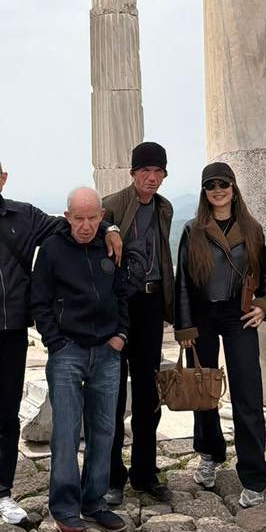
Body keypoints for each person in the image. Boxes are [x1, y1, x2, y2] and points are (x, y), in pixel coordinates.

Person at [0, 153, 121, 532]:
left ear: (4, 178)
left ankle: (1, 492)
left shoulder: (25, 215)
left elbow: (71, 222)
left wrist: (111, 227)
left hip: (13, 330)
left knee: (7, 417)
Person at [173, 163, 266, 508]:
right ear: (204, 192)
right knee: (203, 392)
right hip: (201, 317)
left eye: (223, 184)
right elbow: (183, 283)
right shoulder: (192, 230)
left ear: (233, 187)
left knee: (248, 392)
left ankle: (254, 473)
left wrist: (263, 304)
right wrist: (184, 325)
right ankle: (209, 454)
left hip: (238, 315)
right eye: (210, 185)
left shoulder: (251, 228)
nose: (217, 190)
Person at [30, 187, 130, 532]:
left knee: (104, 430)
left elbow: (123, 292)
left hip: (108, 351)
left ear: (102, 217)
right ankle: (65, 506)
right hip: (68, 351)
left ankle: (95, 502)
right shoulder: (52, 250)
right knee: (67, 432)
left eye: (92, 218)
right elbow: (38, 300)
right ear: (67, 216)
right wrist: (55, 342)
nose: (85, 225)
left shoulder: (109, 243)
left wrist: (121, 335)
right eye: (78, 218)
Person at [102, 141, 175, 505]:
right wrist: (109, 229)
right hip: (119, 306)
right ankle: (113, 476)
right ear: (133, 174)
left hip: (150, 304)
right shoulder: (113, 203)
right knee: (113, 394)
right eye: (145, 170)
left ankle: (145, 473)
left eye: (158, 171)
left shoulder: (164, 208)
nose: (151, 177)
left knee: (148, 393)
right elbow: (90, 229)